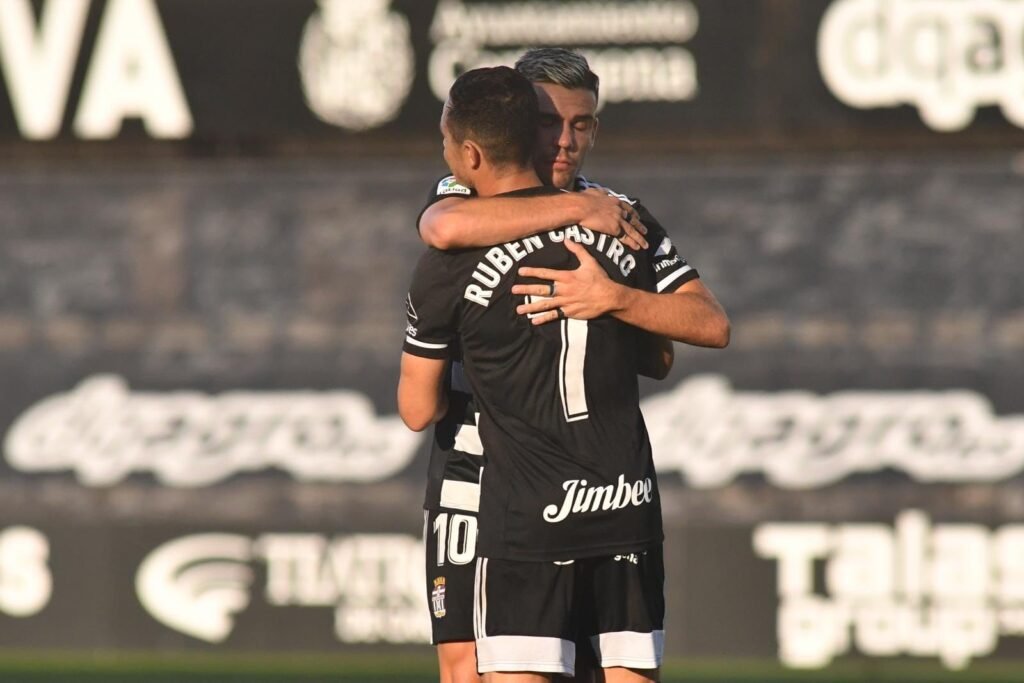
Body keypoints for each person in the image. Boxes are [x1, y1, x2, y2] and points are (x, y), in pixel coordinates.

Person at [399, 65, 727, 682]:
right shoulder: (477, 199)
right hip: (478, 467)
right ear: (517, 126)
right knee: (466, 665)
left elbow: (697, 331)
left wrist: (616, 300)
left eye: (581, 125)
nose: (565, 141)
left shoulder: (620, 215)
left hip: (587, 481)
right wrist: (576, 208)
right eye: (548, 123)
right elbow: (442, 225)